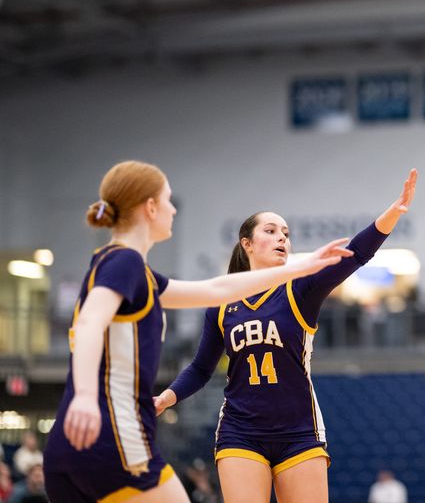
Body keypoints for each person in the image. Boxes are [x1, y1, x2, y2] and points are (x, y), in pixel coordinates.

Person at [42, 160, 353, 503]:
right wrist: (86, 396)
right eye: (168, 200)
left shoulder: (121, 267)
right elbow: (89, 322)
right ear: (150, 207)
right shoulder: (125, 262)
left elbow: (217, 290)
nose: (173, 209)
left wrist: (303, 267)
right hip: (111, 433)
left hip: (65, 443)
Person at [155, 170, 417, 503]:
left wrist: (392, 213)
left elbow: (357, 254)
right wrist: (167, 397)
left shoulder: (300, 290)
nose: (282, 237)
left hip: (299, 430)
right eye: (271, 230)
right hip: (241, 430)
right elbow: (200, 369)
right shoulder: (221, 305)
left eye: (286, 233)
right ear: (247, 244)